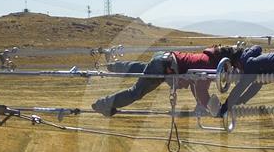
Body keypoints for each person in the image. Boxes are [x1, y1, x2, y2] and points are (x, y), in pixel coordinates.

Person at [91, 45, 243, 116]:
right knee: (136, 92)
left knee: (142, 68)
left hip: (163, 59)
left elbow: (195, 85)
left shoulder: (209, 59)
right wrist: (214, 110)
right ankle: (103, 105)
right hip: (164, 67)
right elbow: (202, 91)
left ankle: (111, 66)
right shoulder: (208, 65)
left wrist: (200, 104)